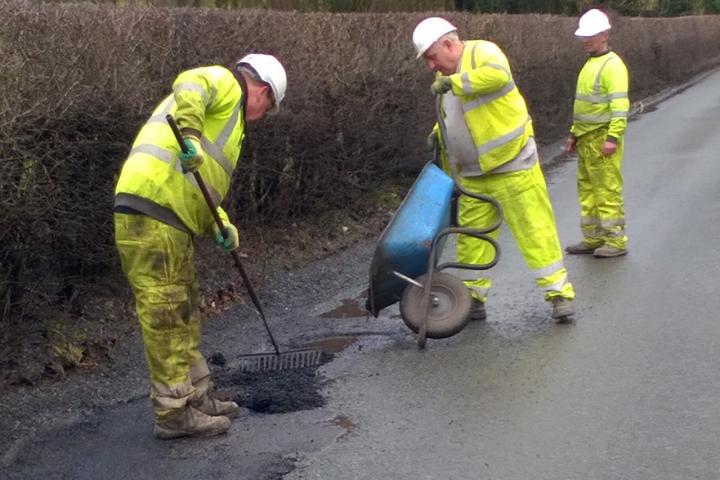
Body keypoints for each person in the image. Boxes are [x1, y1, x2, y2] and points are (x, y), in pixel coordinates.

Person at [113, 54, 287, 439]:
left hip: (170, 215)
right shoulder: (225, 82)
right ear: (261, 89)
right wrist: (189, 136)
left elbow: (200, 188)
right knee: (166, 312)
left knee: (185, 308)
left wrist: (221, 224)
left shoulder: (231, 124)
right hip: (151, 206)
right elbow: (191, 81)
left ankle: (197, 396)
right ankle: (174, 413)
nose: (262, 115)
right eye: (268, 105)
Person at [413, 17, 575, 321]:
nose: (431, 66)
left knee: (535, 230)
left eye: (432, 57)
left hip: (513, 165)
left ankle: (559, 295)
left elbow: (497, 77)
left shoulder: (483, 53)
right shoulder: (447, 80)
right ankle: (470, 299)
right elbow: (458, 117)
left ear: (448, 44)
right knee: (472, 242)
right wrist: (439, 132)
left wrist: (456, 82)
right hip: (474, 175)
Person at [564, 9, 629, 258]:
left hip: (602, 138)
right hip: (587, 138)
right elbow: (584, 107)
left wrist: (613, 138)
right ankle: (593, 238)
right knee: (588, 190)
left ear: (604, 35)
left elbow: (620, 107)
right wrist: (573, 134)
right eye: (584, 36)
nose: (586, 40)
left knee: (607, 190)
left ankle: (615, 240)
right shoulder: (591, 64)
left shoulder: (613, 66)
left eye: (590, 35)